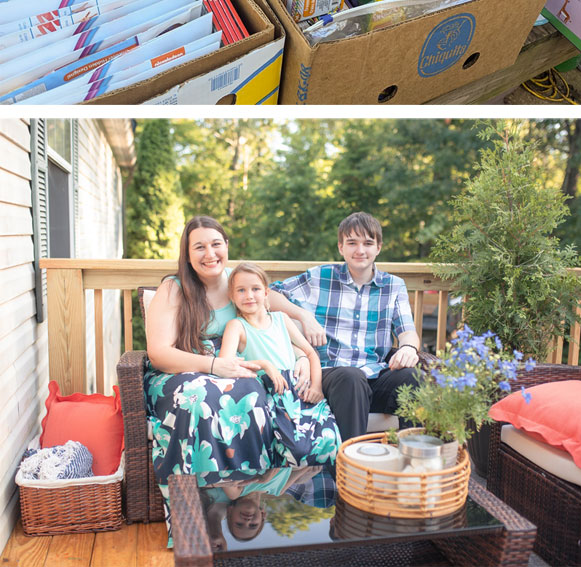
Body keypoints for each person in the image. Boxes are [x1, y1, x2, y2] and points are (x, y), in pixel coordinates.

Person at [144, 215, 317, 542]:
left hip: (234, 371)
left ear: (227, 246)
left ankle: (240, 491)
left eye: (216, 244)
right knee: (200, 398)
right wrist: (212, 366)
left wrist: (303, 342)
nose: (209, 253)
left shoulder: (239, 282)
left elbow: (278, 310)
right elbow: (158, 353)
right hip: (180, 371)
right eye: (199, 247)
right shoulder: (174, 288)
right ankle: (192, 514)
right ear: (187, 253)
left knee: (250, 394)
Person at [271, 212, 421, 442]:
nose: (360, 250)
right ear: (341, 247)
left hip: (375, 375)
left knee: (413, 377)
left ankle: (412, 461)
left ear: (378, 247)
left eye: (368, 243)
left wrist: (408, 347)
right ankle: (351, 471)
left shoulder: (393, 285)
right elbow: (268, 295)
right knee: (351, 377)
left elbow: (407, 330)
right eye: (352, 243)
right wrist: (304, 316)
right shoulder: (320, 277)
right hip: (333, 376)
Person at [221, 262, 341, 467]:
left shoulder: (281, 319)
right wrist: (265, 365)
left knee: (330, 444)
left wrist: (317, 387)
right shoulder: (236, 326)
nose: (249, 295)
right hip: (270, 394)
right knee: (298, 450)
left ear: (266, 292)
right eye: (241, 290)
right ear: (232, 296)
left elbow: (311, 353)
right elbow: (225, 364)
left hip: (299, 391)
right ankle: (268, 486)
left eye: (255, 289)